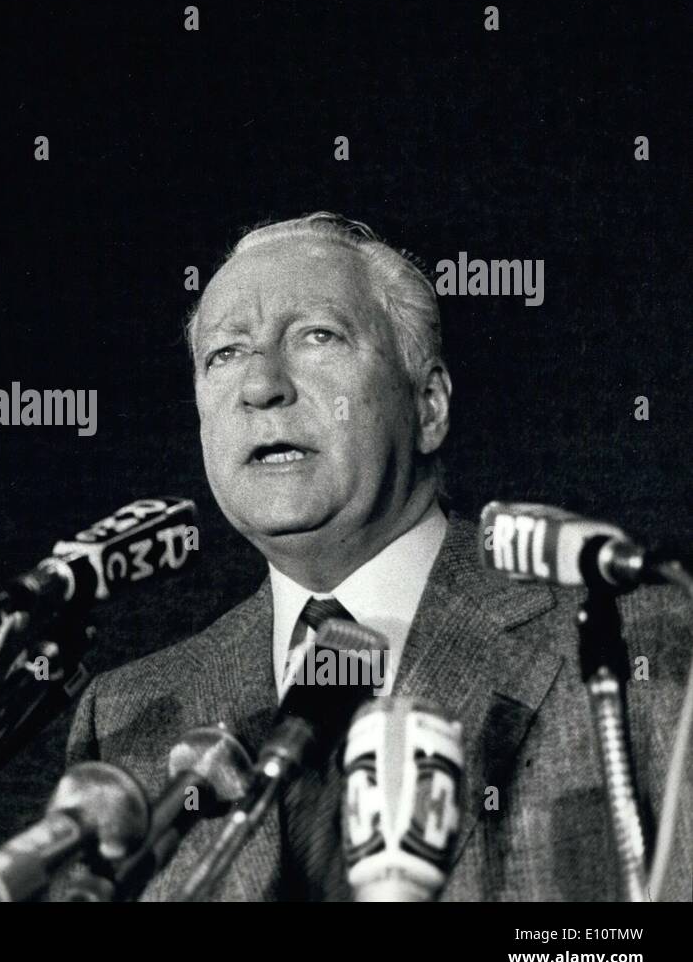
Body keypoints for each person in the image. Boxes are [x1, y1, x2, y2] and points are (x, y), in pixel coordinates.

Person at [65, 212, 692, 901]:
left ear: (428, 405)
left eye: (315, 336)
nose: (260, 385)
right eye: (225, 353)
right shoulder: (126, 718)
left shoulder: (646, 643)